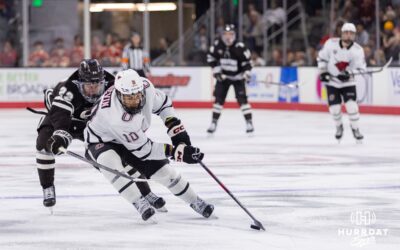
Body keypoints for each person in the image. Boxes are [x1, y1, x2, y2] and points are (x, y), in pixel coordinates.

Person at [83, 69, 214, 221]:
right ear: (119, 95)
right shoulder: (116, 117)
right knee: (110, 163)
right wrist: (178, 152)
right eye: (128, 97)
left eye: (137, 95)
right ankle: (138, 201)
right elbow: (145, 151)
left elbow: (165, 105)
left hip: (131, 140)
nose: (135, 101)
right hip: (100, 141)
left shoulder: (146, 87)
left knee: (164, 171)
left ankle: (195, 201)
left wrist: (179, 138)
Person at [35, 59, 165, 212]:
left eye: (97, 85)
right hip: (65, 120)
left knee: (120, 155)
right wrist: (60, 136)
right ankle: (47, 186)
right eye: (89, 85)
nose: (94, 90)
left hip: (93, 125)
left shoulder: (113, 85)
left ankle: (146, 192)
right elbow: (60, 116)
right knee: (44, 143)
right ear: (79, 83)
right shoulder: (68, 89)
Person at [317, 23, 366, 142]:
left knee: (352, 107)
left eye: (351, 33)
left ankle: (355, 129)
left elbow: (362, 69)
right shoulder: (331, 43)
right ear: (342, 33)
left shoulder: (358, 50)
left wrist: (349, 73)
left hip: (349, 83)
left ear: (355, 35)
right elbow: (322, 58)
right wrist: (323, 71)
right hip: (333, 83)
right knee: (334, 108)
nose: (349, 36)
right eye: (346, 33)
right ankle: (339, 126)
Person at [206, 24, 254, 134]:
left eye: (230, 34)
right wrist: (217, 72)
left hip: (238, 78)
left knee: (243, 100)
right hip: (224, 78)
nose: (228, 37)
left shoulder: (240, 47)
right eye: (226, 34)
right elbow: (210, 58)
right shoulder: (217, 45)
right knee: (218, 100)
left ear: (234, 35)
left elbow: (248, 62)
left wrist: (247, 73)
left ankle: (249, 122)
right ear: (222, 35)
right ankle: (214, 123)